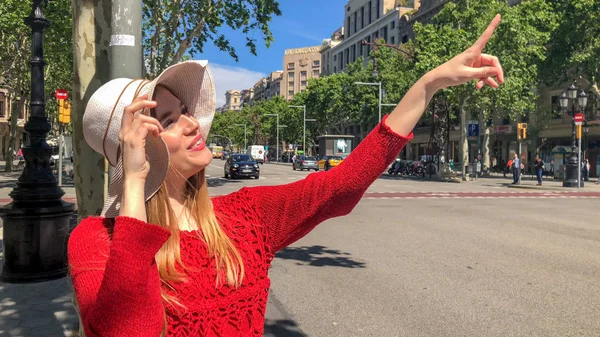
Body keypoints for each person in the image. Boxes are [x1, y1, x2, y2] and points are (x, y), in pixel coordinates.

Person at [68, 15, 504, 337]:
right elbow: (129, 329)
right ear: (135, 146)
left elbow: (342, 185)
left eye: (185, 111)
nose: (192, 124)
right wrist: (133, 184)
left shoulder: (244, 217)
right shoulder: (95, 240)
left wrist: (427, 84)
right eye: (166, 120)